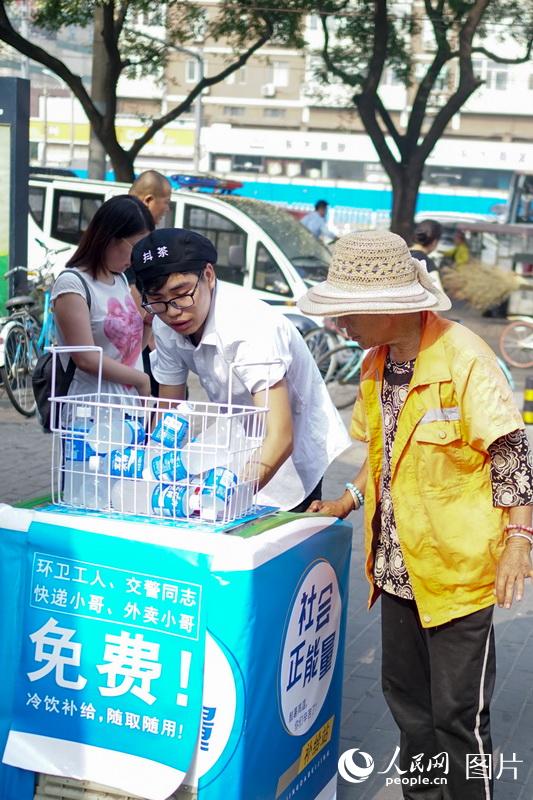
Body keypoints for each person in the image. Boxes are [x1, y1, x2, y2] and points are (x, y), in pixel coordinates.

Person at [298, 229, 533, 799]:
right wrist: (348, 500)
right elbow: (379, 455)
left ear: (387, 306)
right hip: (397, 571)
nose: (339, 325)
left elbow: (511, 449)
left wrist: (520, 538)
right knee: (409, 712)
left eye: (346, 312)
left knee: (458, 717)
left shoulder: (463, 358)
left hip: (455, 573)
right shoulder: (375, 364)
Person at [129, 228, 351, 511]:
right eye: (157, 300)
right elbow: (169, 409)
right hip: (240, 432)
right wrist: (153, 470)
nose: (173, 311)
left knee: (274, 528)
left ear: (208, 276)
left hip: (292, 439)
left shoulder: (249, 327)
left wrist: (228, 498)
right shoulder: (164, 324)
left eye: (182, 294)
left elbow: (281, 436)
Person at [51, 195, 155, 398]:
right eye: (136, 247)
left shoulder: (121, 280)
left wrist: (149, 323)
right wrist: (141, 380)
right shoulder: (73, 284)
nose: (138, 258)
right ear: (110, 237)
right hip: (88, 412)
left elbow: (129, 352)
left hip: (126, 409)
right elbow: (86, 358)